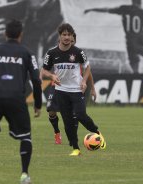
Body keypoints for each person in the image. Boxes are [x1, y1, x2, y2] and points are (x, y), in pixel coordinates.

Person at [0, 19, 42, 184]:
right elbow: (36, 80)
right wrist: (38, 104)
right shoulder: (27, 53)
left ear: (5, 34)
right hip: (16, 99)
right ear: (21, 35)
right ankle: (24, 175)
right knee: (25, 137)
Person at [41, 23, 105, 156]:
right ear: (59, 36)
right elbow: (44, 70)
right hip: (61, 91)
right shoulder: (52, 53)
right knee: (68, 122)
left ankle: (97, 133)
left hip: (76, 90)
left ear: (72, 37)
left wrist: (84, 81)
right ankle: (76, 148)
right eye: (64, 34)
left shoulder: (78, 52)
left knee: (81, 115)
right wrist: (52, 75)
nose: (66, 37)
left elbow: (87, 67)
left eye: (69, 35)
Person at [84, 0, 143, 74]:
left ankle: (137, 74)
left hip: (130, 43)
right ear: (140, 3)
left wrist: (92, 9)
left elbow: (106, 9)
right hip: (141, 42)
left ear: (132, 2)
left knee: (135, 69)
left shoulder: (124, 9)